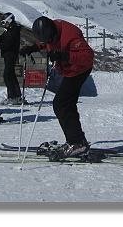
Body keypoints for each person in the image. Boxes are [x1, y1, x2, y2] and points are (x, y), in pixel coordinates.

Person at [20, 16, 94, 159]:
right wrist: (33, 47)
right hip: (68, 70)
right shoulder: (50, 33)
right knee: (67, 104)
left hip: (79, 69)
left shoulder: (70, 35)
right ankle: (78, 140)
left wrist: (65, 56)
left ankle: (76, 142)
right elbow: (46, 42)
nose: (48, 43)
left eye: (49, 40)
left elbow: (88, 56)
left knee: (61, 104)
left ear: (54, 33)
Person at [0, 12, 25, 105]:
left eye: (4, 22)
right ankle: (17, 96)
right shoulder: (9, 30)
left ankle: (13, 97)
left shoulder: (14, 31)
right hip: (7, 55)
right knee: (11, 75)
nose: (4, 24)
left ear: (10, 20)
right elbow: (1, 38)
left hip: (11, 55)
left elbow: (8, 43)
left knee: (7, 76)